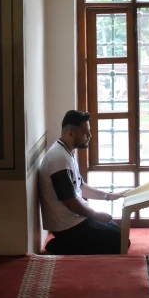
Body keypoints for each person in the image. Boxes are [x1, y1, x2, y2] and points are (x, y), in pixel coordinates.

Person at [39, 109, 131, 255]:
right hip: (67, 227)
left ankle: (68, 244)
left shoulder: (66, 152)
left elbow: (80, 187)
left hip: (75, 219)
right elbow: (70, 201)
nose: (89, 136)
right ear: (70, 133)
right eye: (85, 132)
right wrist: (95, 214)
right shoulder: (59, 159)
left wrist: (109, 196)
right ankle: (60, 246)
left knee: (121, 233)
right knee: (121, 242)